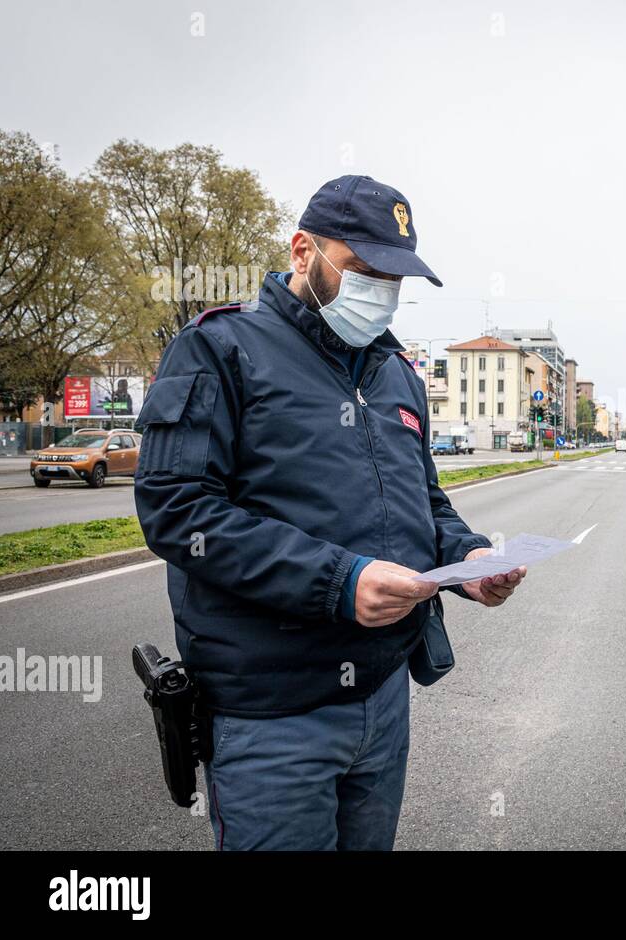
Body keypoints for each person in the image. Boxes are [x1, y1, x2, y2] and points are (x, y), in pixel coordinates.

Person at [134, 175, 525, 851]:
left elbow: (423, 498)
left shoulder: (394, 373)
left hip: (382, 696)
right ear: (301, 252)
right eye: (361, 271)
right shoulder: (220, 350)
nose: (380, 292)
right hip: (272, 715)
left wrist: (468, 559)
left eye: (393, 278)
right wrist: (339, 581)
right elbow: (178, 510)